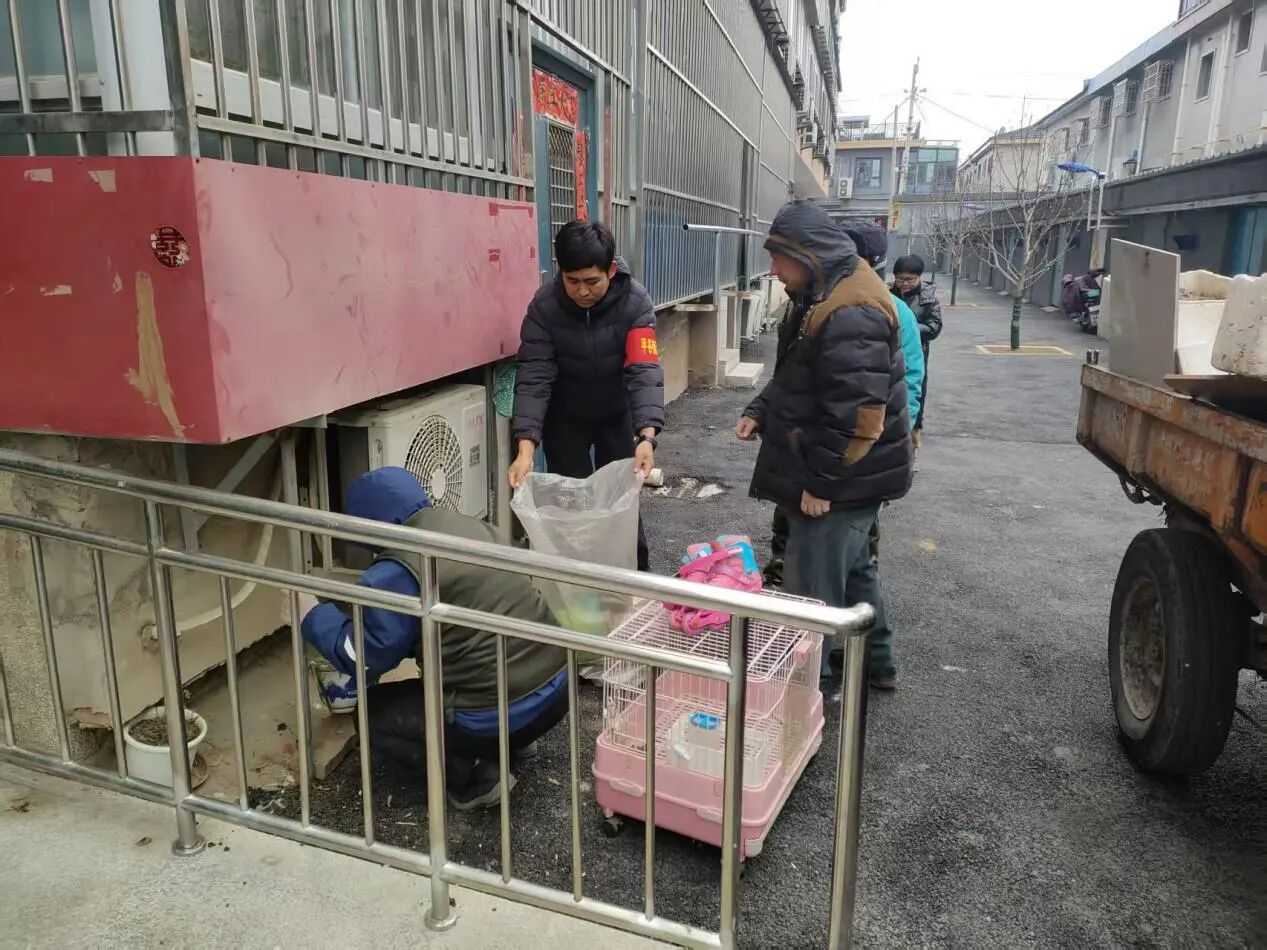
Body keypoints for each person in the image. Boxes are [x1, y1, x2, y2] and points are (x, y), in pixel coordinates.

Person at [296, 467, 568, 811]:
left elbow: (363, 655)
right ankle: (513, 744)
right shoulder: (472, 527)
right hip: (557, 691)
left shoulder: (398, 568)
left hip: (499, 714)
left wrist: (311, 615)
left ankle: (475, 777)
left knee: (372, 714)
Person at [737, 201, 913, 690]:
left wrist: (821, 484)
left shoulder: (850, 309)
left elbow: (857, 416)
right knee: (854, 573)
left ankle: (803, 693)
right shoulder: (825, 292)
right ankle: (877, 666)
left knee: (810, 589)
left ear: (807, 254)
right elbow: (800, 372)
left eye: (779, 258)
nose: (774, 270)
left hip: (845, 478)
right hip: (854, 474)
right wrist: (761, 410)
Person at [509, 220, 664, 571]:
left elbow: (644, 369)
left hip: (616, 414)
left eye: (592, 281)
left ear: (611, 270)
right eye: (572, 281)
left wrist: (646, 437)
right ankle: (580, 586)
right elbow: (534, 375)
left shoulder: (635, 302)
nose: (581, 291)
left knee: (623, 503)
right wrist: (526, 447)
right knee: (572, 507)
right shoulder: (545, 307)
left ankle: (636, 582)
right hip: (566, 419)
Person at [891, 254, 943, 448]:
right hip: (892, 351)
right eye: (900, 279)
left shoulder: (928, 300)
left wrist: (908, 327)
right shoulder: (887, 294)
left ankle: (915, 429)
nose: (904, 283)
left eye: (910, 279)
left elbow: (934, 328)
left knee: (916, 389)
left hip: (917, 352)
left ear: (919, 277)